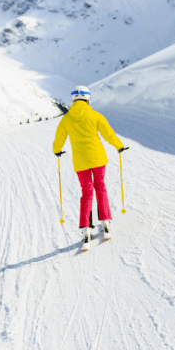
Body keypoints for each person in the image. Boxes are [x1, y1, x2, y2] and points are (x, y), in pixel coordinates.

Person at [53, 86, 127, 250]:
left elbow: (59, 138)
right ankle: (105, 223)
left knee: (86, 193)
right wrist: (119, 146)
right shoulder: (95, 115)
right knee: (100, 187)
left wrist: (56, 151)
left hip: (81, 162)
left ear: (73, 100)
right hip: (98, 158)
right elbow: (108, 134)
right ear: (87, 99)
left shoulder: (66, 119)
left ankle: (86, 231)